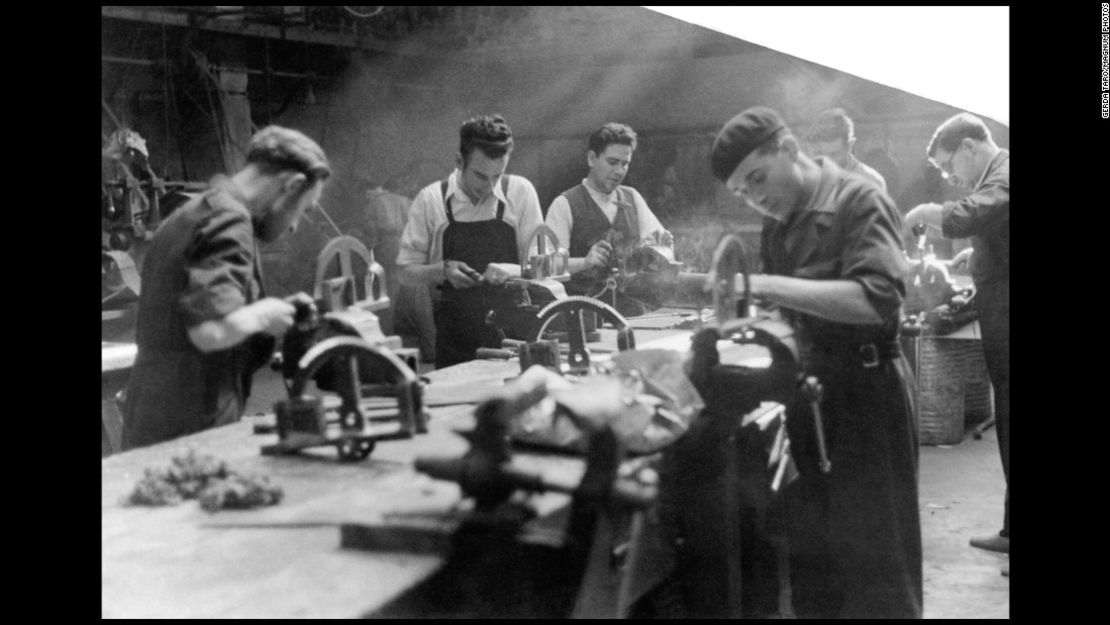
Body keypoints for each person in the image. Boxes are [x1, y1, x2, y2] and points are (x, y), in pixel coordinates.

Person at [710, 106, 922, 618]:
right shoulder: (778, 226)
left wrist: (765, 286)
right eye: (743, 193)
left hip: (869, 397)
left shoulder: (859, 200)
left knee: (878, 568)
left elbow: (877, 300)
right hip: (811, 400)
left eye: (758, 179)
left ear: (789, 150)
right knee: (817, 570)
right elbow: (793, 318)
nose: (756, 197)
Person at [121, 126, 330, 450]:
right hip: (190, 423)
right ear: (293, 185)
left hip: (156, 414)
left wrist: (270, 313)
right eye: (302, 209)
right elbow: (211, 331)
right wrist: (265, 313)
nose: (293, 225)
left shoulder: (195, 210)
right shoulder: (228, 220)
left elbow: (189, 313)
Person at [904, 113, 1009, 559]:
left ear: (969, 147)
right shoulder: (994, 178)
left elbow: (986, 207)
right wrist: (979, 249)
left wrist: (932, 213)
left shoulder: (1003, 173)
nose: (951, 178)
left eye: (950, 167)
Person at [396, 114, 543, 369]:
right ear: (459, 161)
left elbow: (545, 269)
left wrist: (512, 271)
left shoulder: (520, 192)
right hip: (456, 341)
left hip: (514, 337)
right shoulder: (431, 200)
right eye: (480, 176)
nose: (489, 186)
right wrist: (442, 270)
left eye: (497, 176)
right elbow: (405, 273)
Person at [544, 122, 673, 317]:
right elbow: (546, 267)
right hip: (585, 317)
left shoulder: (632, 198)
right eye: (612, 162)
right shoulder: (564, 204)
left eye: (625, 164)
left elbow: (660, 249)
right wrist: (584, 262)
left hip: (635, 315)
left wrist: (661, 248)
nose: (620, 171)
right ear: (591, 158)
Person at [806, 108, 888, 193]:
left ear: (850, 145)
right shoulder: (806, 182)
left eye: (834, 155)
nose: (827, 162)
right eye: (820, 154)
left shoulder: (870, 183)